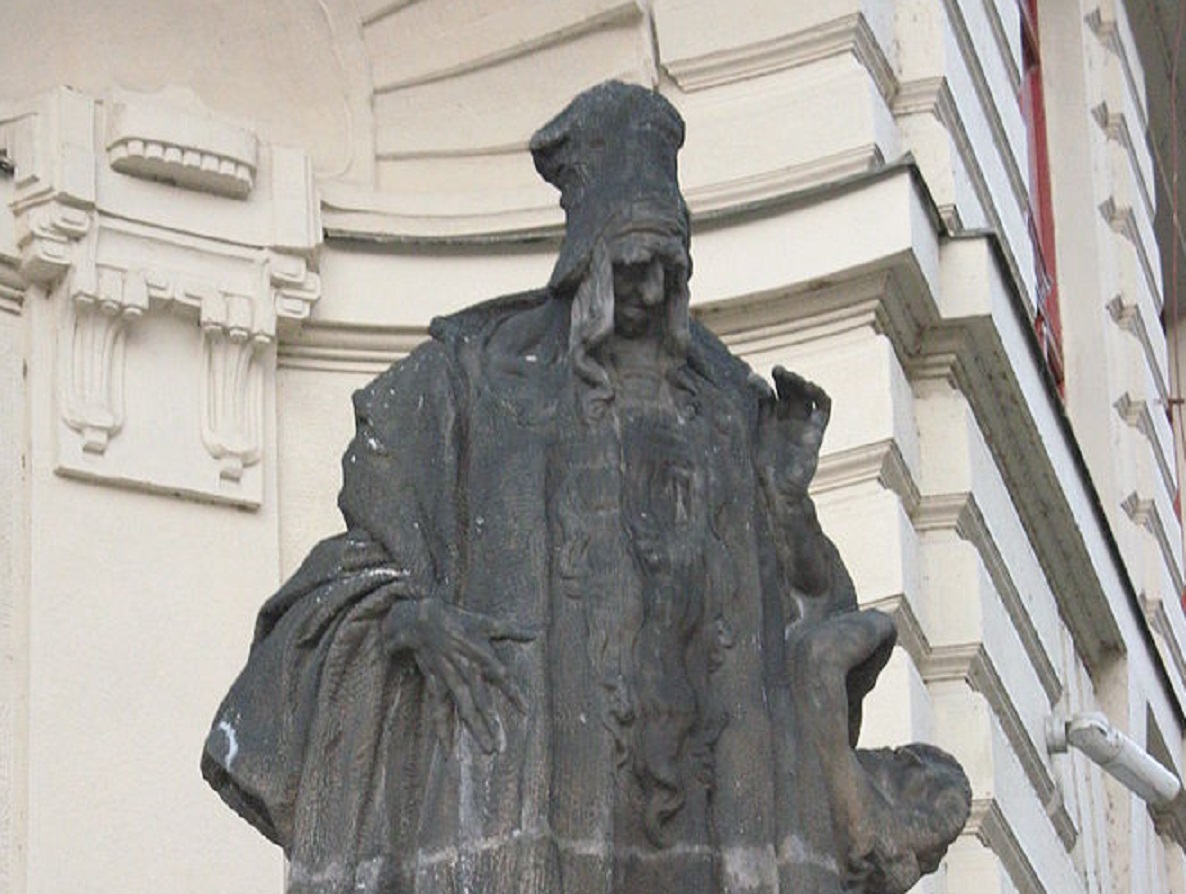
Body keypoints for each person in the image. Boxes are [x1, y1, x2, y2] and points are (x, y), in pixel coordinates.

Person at [202, 81, 969, 894]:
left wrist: (784, 500)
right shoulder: (470, 386)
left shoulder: (730, 413)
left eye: (668, 272)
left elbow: (811, 636)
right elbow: (350, 573)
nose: (647, 292)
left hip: (707, 808)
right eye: (631, 267)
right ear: (587, 267)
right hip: (528, 796)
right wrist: (407, 619)